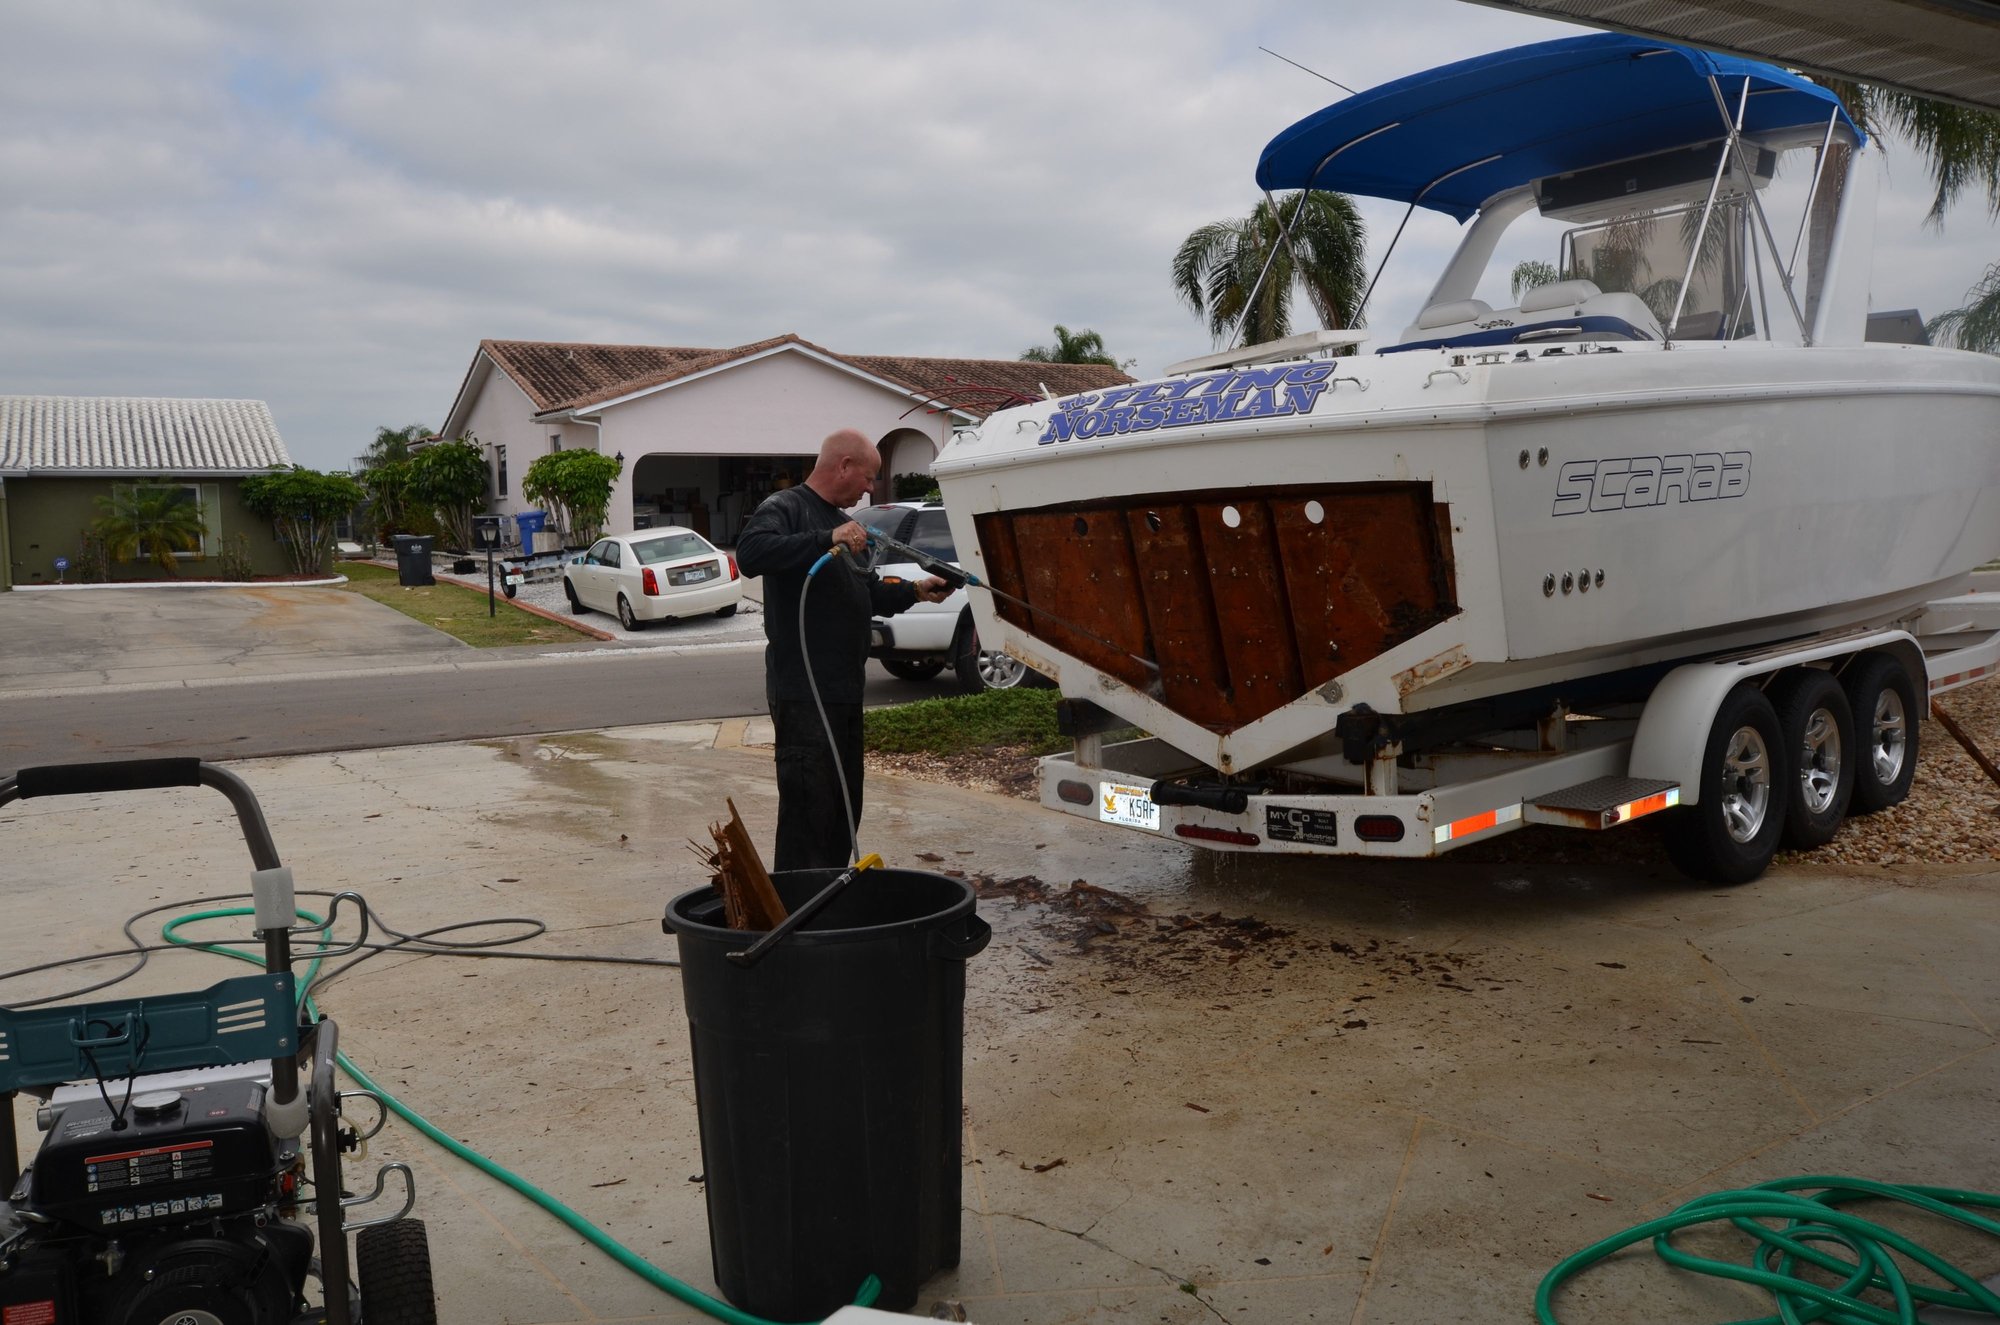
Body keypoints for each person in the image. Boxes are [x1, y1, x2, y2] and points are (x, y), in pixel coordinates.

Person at [735, 428, 951, 872]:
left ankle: (832, 899)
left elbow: (865, 589)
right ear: (844, 465)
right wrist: (825, 539)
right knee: (808, 812)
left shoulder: (841, 523)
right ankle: (801, 916)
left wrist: (915, 590)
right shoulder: (787, 507)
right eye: (868, 477)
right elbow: (751, 553)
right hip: (805, 692)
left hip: (844, 691)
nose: (871, 487)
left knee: (843, 808)